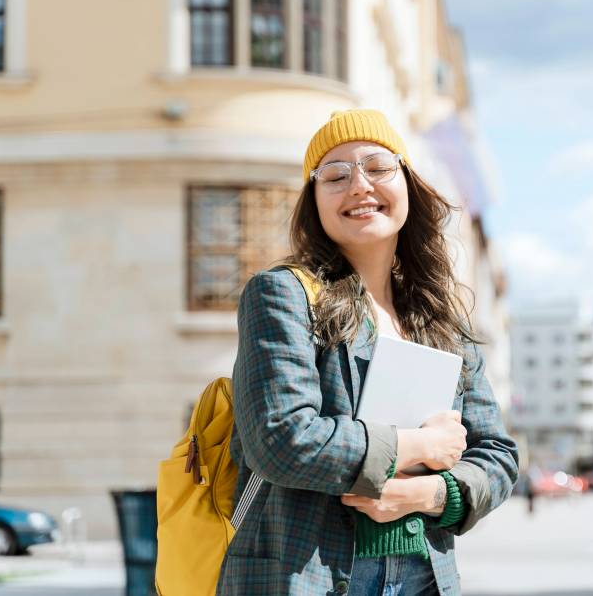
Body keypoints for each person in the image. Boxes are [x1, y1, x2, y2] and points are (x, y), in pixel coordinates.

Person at [216, 109, 519, 596]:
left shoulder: (441, 320)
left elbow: (498, 456)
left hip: (422, 576)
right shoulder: (282, 295)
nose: (359, 186)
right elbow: (280, 438)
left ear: (407, 184)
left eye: (378, 168)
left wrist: (429, 493)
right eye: (335, 176)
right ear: (313, 203)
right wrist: (416, 447)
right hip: (308, 574)